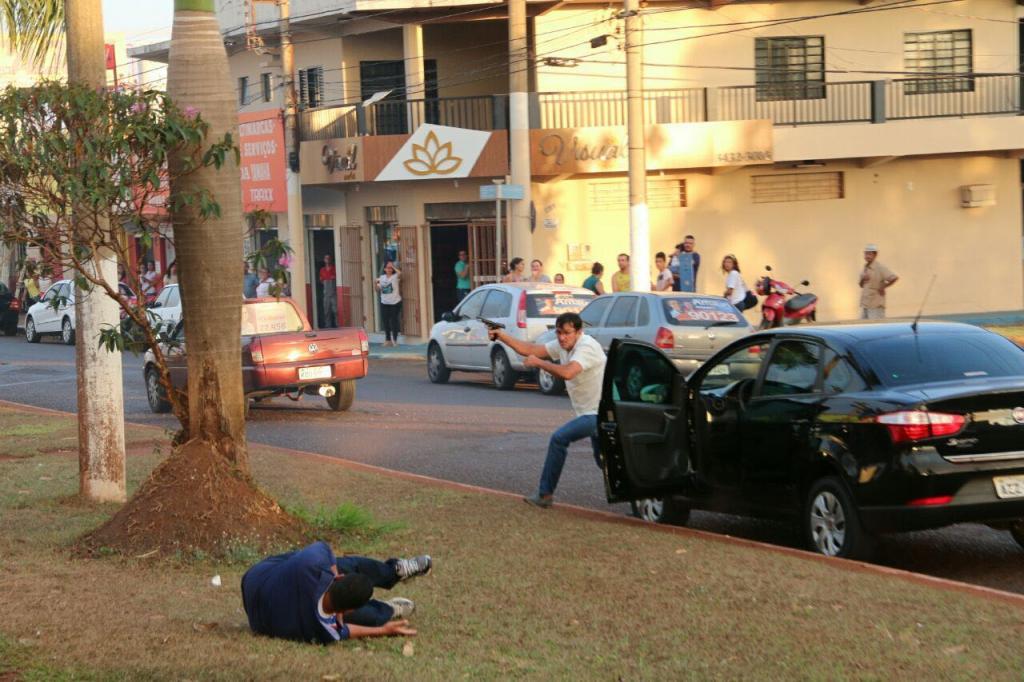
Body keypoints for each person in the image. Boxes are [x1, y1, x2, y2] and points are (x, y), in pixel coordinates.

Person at [488, 312, 606, 508]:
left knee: (559, 439)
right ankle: (641, 496)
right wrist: (501, 335)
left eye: (567, 333)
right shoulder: (563, 345)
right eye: (559, 332)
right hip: (590, 413)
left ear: (579, 332)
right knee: (605, 461)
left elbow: (568, 372)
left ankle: (544, 495)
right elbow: (531, 349)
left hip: (598, 413)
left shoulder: (587, 346)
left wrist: (540, 363)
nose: (562, 337)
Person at [241, 541, 431, 645]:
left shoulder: (312, 563)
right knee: (350, 568)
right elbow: (348, 631)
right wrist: (384, 629)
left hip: (253, 582)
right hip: (261, 584)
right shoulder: (324, 629)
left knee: (343, 566)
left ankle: (394, 572)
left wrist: (383, 631)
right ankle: (389, 606)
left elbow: (323, 547)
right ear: (348, 610)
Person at [859, 244, 898, 320]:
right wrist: (862, 279)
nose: (867, 256)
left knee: (875, 327)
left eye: (869, 254)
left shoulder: (879, 267)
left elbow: (894, 278)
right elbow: (861, 285)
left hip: (876, 306)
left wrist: (883, 286)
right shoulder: (865, 267)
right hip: (865, 304)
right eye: (866, 254)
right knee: (863, 328)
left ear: (875, 255)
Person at [375, 260, 402, 346]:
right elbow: (377, 290)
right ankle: (388, 339)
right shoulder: (382, 278)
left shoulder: (395, 276)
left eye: (390, 268)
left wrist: (393, 266)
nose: (389, 269)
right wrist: (375, 284)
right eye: (387, 268)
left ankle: (395, 340)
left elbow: (400, 273)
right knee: (385, 321)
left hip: (395, 302)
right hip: (384, 302)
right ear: (385, 269)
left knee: (394, 321)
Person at [319, 254, 338, 328]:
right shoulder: (322, 270)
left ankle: (337, 325)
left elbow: (335, 279)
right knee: (326, 312)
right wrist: (328, 280)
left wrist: (329, 279)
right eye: (326, 258)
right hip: (326, 294)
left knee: (335, 311)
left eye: (329, 258)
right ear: (324, 260)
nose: (327, 260)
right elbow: (321, 280)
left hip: (333, 294)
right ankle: (328, 327)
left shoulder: (334, 269)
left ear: (331, 260)